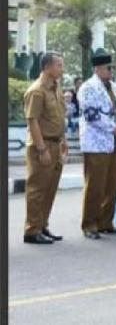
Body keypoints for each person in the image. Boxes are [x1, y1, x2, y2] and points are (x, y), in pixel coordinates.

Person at [79, 51, 116, 239]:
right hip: (96, 142)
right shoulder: (87, 87)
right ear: (97, 68)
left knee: (112, 185)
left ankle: (106, 222)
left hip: (115, 142)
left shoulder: (114, 87)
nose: (111, 72)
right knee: (95, 187)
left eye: (112, 68)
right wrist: (113, 127)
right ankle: (89, 224)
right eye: (108, 68)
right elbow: (91, 115)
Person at [22, 52, 68, 244]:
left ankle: (42, 225)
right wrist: (41, 149)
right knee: (37, 189)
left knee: (50, 188)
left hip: (56, 143)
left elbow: (58, 117)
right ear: (47, 67)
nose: (61, 69)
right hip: (42, 145)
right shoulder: (37, 90)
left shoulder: (56, 88)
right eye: (59, 65)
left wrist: (63, 141)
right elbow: (32, 121)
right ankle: (32, 230)